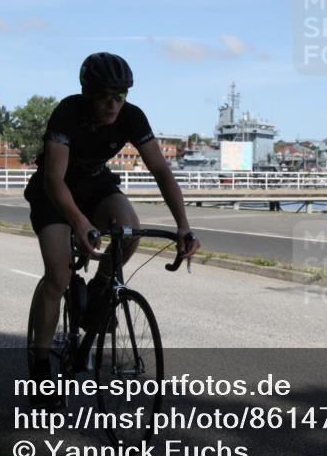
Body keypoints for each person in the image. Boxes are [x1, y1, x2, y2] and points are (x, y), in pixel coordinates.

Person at [24, 52, 200, 404]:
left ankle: (100, 292)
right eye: (105, 95)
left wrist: (183, 226)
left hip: (96, 184)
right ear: (87, 92)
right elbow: (54, 178)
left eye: (120, 96)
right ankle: (41, 369)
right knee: (58, 277)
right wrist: (79, 222)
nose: (113, 104)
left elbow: (161, 171)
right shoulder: (68, 112)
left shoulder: (132, 117)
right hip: (54, 192)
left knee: (130, 229)